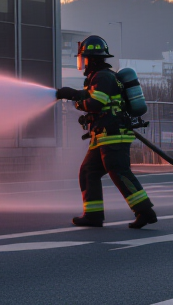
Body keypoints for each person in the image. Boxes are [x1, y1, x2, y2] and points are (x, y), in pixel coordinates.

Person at [56, 35, 157, 229]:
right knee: (89, 171)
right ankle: (93, 215)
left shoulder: (102, 76)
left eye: (83, 58)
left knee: (119, 172)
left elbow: (96, 102)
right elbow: (93, 96)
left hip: (113, 135)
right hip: (103, 136)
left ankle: (145, 211)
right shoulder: (100, 77)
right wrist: (72, 94)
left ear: (90, 59)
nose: (82, 63)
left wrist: (76, 100)